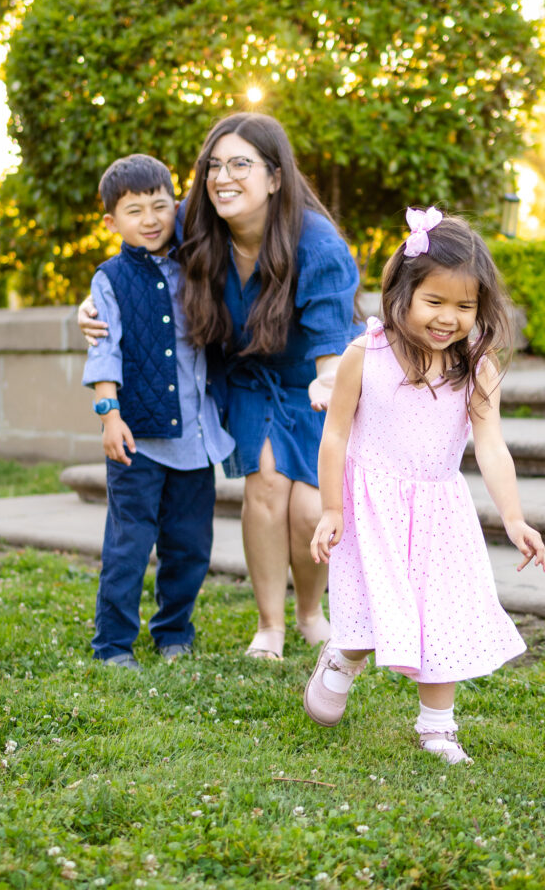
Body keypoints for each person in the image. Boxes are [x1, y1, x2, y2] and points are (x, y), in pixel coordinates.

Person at [79, 113, 361, 660]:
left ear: (275, 177)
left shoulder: (317, 243)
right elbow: (134, 260)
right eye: (214, 165)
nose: (222, 177)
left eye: (240, 164)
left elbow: (331, 349)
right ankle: (269, 626)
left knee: (309, 510)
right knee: (266, 486)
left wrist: (330, 385)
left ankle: (309, 612)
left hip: (314, 383)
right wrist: (89, 308)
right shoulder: (194, 221)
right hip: (247, 379)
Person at [303, 207, 545, 764]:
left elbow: (490, 444)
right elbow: (335, 437)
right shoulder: (366, 355)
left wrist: (513, 517)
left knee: (441, 615)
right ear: (402, 295)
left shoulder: (476, 366)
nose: (449, 318)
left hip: (440, 508)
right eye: (435, 302)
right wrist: (331, 509)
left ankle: (437, 726)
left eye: (465, 306)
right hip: (371, 504)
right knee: (369, 613)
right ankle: (343, 657)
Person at [83, 153, 235, 669]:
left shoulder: (198, 264)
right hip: (138, 440)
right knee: (128, 545)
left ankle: (174, 631)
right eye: (133, 210)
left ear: (178, 207)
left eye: (159, 206)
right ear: (111, 222)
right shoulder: (110, 280)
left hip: (195, 441)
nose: (149, 219)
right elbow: (103, 348)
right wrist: (109, 414)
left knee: (190, 546)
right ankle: (113, 644)